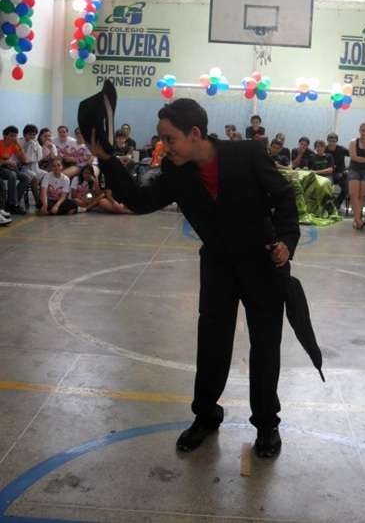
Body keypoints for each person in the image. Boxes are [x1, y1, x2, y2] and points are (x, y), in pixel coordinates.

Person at [93, 98, 299, 458]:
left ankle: (267, 423)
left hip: (263, 265)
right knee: (212, 345)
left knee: (265, 347)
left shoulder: (247, 153)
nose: (164, 147)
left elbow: (284, 197)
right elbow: (139, 201)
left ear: (194, 133)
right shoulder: (177, 172)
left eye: (169, 139)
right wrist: (107, 159)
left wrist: (285, 241)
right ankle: (205, 416)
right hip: (218, 267)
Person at [0, 125, 31, 215]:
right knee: (12, 174)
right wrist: (7, 162)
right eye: (11, 136)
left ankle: (13, 203)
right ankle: (13, 204)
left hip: (6, 168)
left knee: (26, 178)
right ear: (5, 136)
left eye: (15, 136)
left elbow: (24, 160)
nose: (13, 138)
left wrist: (18, 145)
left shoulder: (14, 145)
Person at [19, 124, 46, 206]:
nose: (32, 137)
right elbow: (21, 160)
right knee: (33, 177)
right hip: (23, 168)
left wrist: (32, 159)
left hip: (34, 167)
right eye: (30, 134)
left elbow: (40, 158)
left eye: (34, 135)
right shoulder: (20, 142)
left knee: (46, 175)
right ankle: (37, 200)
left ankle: (44, 198)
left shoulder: (35, 143)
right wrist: (28, 160)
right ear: (25, 134)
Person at [325, 133, 349, 210]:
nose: (332, 143)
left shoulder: (342, 149)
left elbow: (353, 156)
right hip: (327, 174)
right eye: (330, 141)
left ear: (336, 141)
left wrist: (349, 169)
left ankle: (337, 203)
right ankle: (327, 204)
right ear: (327, 141)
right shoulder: (324, 149)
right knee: (325, 188)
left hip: (340, 174)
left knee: (346, 188)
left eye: (334, 141)